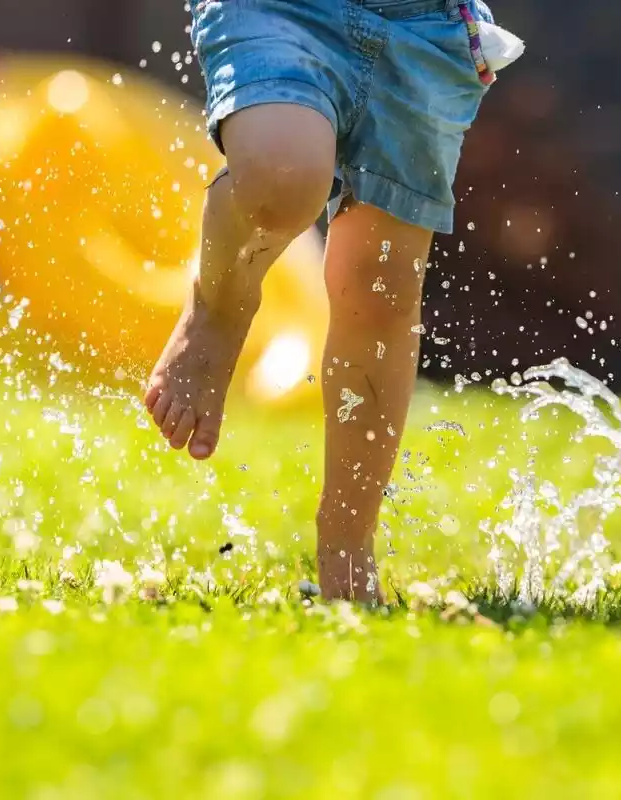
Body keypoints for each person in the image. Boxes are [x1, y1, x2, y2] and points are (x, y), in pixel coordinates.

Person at [144, 0, 499, 603]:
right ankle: (219, 304)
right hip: (283, 8)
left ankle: (347, 546)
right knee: (283, 178)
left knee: (381, 292)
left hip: (422, 26)